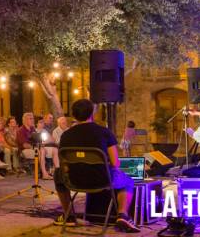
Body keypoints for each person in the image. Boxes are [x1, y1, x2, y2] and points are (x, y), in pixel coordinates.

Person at [55, 99, 139, 232]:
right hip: (102, 180)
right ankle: (122, 215)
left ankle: (69, 216)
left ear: (74, 115)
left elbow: (64, 165)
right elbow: (116, 163)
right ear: (92, 113)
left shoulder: (65, 135)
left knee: (58, 174)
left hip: (74, 181)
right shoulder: (104, 132)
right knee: (128, 181)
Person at [17, 112, 52, 179]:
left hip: (33, 148)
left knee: (46, 150)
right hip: (24, 151)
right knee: (40, 151)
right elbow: (25, 145)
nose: (32, 120)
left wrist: (41, 144)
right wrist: (36, 147)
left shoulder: (32, 129)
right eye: (30, 119)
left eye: (32, 118)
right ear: (25, 120)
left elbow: (37, 140)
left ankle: (46, 171)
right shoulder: (20, 130)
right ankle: (44, 173)